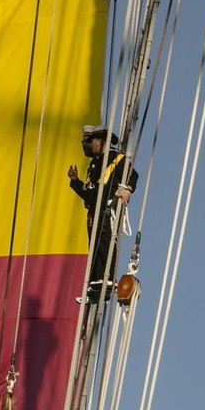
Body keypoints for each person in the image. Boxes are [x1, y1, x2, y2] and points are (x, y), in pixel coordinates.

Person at [67, 124, 139, 303]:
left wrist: (128, 191)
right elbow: (90, 192)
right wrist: (75, 182)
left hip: (107, 210)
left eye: (89, 142)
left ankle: (106, 281)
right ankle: (94, 286)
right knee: (94, 248)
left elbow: (133, 175)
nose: (87, 146)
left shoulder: (117, 159)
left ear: (100, 141)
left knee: (105, 244)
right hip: (94, 212)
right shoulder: (94, 165)